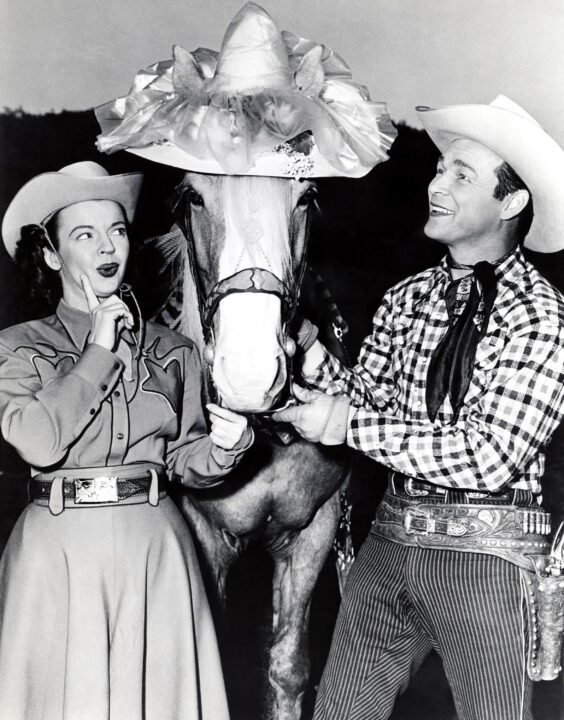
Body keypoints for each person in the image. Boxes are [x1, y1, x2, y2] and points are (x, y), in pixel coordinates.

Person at [273, 96, 564, 720]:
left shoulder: (541, 314)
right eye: (439, 169)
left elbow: (489, 458)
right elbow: (370, 401)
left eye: (463, 175)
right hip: (388, 541)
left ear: (512, 203)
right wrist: (318, 370)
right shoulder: (407, 297)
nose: (437, 185)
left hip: (488, 562)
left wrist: (348, 422)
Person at [0, 161, 254, 720]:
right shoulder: (16, 348)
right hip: (57, 552)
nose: (107, 246)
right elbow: (38, 443)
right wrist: (98, 351)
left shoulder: (174, 349)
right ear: (50, 254)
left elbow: (186, 458)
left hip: (155, 546)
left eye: (116, 230)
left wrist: (228, 447)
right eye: (83, 235)